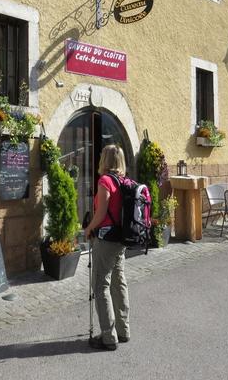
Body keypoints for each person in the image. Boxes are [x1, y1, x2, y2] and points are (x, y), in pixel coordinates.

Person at [83, 144, 130, 351]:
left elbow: (101, 213)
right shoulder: (124, 181)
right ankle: (123, 330)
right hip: (122, 239)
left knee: (101, 284)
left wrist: (88, 228)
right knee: (118, 283)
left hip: (107, 239)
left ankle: (108, 337)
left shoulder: (105, 181)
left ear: (105, 159)